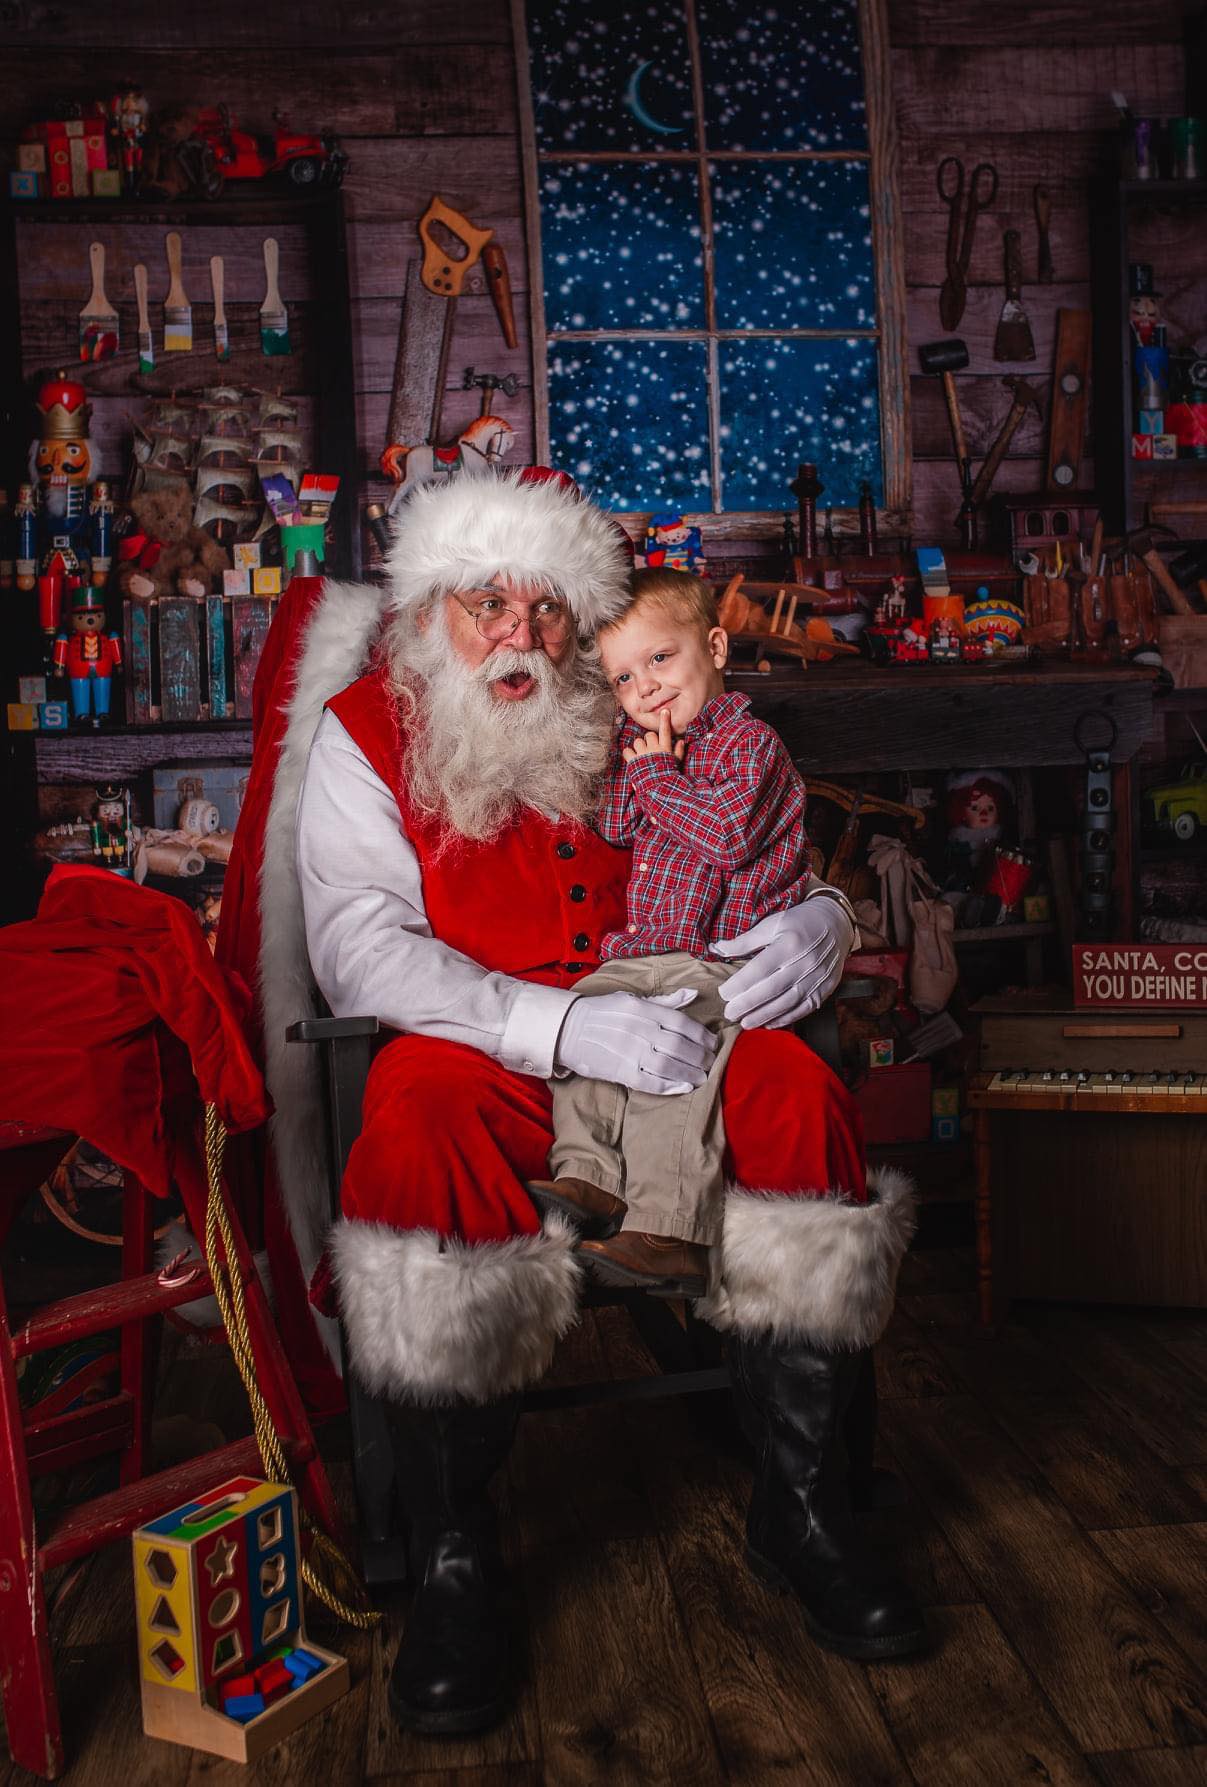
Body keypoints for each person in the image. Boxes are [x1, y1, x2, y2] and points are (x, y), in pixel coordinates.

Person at [221, 468, 923, 1741]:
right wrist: (552, 1024)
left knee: (796, 1093)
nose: (521, 633)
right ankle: (453, 1553)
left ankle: (805, 1504)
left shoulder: (641, 691)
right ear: (432, 608)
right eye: (487, 602)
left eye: (547, 607)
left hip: (675, 1024)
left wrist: (822, 918)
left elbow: (769, 829)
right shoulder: (365, 731)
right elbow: (361, 949)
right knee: (415, 1134)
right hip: (476, 1044)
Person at [529, 568, 812, 1300]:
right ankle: (586, 1177)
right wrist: (624, 754)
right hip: (650, 950)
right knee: (585, 1018)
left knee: (673, 1064)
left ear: (714, 648)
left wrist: (656, 773)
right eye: (623, 678)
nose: (645, 687)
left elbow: (725, 838)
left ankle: (667, 1232)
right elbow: (619, 825)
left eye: (660, 659)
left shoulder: (750, 745)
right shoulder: (647, 744)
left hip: (722, 957)